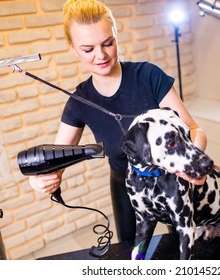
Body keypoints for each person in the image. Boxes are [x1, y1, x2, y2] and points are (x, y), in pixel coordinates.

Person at [29, 0, 207, 242]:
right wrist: (41, 179)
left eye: (107, 43)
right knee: (130, 252)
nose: (100, 55)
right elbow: (53, 162)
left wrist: (191, 161)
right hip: (126, 188)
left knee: (184, 247)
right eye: (88, 49)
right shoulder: (80, 101)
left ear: (115, 36)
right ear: (73, 48)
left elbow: (195, 130)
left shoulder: (148, 76)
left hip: (173, 181)